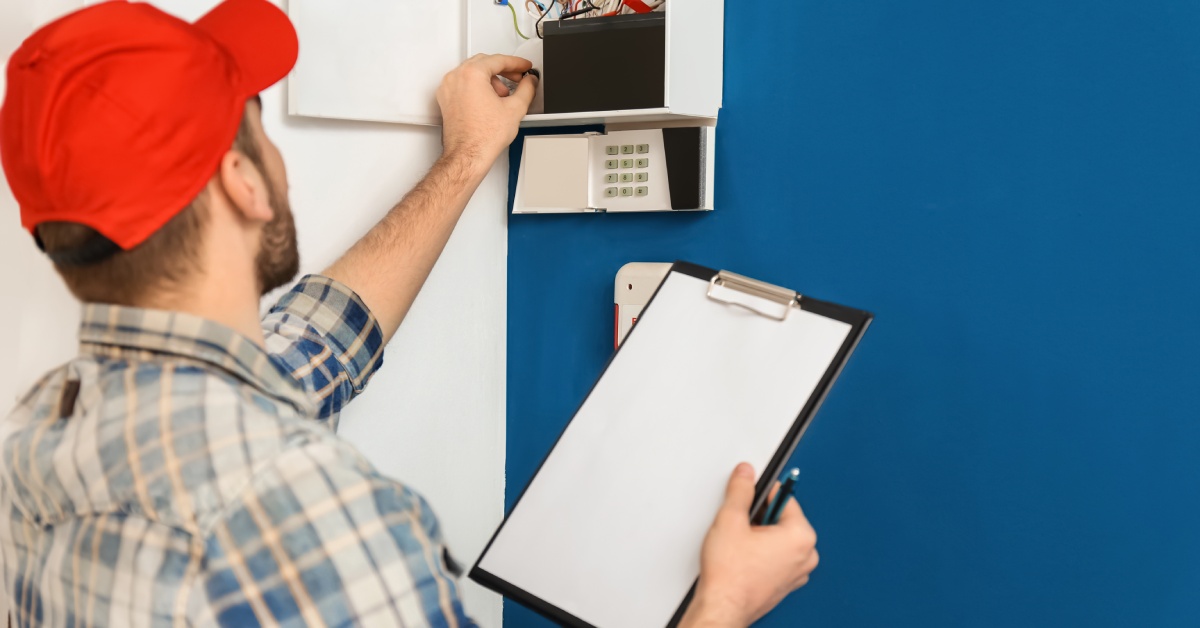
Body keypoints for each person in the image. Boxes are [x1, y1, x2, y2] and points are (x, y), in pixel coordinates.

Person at [0, 0, 819, 626]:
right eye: (258, 128)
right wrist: (723, 605)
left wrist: (467, 157)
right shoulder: (309, 511)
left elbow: (318, 341)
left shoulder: (45, 438)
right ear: (242, 181)